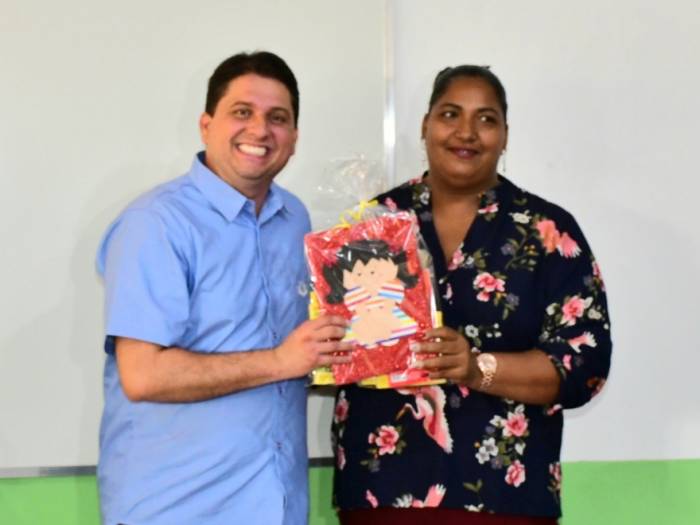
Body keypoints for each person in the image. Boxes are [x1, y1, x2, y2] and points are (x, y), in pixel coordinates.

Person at [331, 65, 612, 524]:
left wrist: (476, 367)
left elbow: (586, 366)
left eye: (486, 119)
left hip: (507, 498)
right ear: (425, 125)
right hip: (380, 492)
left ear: (505, 135)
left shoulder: (548, 231)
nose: (466, 132)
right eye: (450, 114)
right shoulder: (370, 224)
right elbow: (334, 345)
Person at [95, 51, 350, 525]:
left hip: (277, 506)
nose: (260, 130)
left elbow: (304, 352)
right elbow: (143, 374)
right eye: (242, 112)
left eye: (278, 118)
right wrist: (282, 361)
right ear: (206, 125)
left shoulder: (294, 219)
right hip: (178, 509)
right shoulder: (156, 224)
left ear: (294, 138)